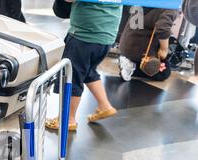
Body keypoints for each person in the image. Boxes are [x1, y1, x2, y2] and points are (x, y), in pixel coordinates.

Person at [46, 0, 122, 132]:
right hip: (106, 38)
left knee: (71, 76)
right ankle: (104, 105)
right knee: (88, 71)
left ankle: (68, 120)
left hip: (84, 36)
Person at [119, 8, 178, 82]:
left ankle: (128, 62)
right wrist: (164, 49)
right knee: (164, 72)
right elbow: (163, 28)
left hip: (126, 44)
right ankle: (133, 67)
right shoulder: (171, 6)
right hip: (141, 51)